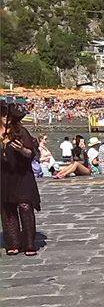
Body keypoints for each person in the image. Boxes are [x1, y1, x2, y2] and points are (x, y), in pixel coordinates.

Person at [0, 101, 41, 255]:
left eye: (7, 116)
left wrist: (21, 149)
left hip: (22, 174)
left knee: (25, 205)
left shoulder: (20, 131)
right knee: (8, 209)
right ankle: (13, 242)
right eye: (3, 115)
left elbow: (31, 153)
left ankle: (29, 243)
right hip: (4, 175)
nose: (6, 119)